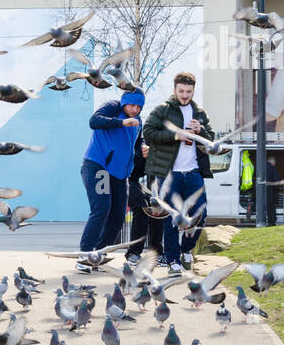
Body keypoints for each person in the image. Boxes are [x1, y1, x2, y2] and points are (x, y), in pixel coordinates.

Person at [143, 71, 215, 273]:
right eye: (181, 91)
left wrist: (201, 131)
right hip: (169, 173)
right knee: (170, 218)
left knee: (201, 213)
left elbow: (211, 139)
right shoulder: (163, 110)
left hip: (193, 171)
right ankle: (173, 261)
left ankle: (187, 251)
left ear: (193, 91)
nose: (185, 95)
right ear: (174, 90)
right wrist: (176, 135)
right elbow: (148, 132)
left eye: (189, 91)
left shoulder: (199, 112)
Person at [77, 89, 146, 272]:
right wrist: (121, 122)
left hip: (120, 174)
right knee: (101, 209)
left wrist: (142, 147)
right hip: (98, 166)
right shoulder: (112, 108)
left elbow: (137, 141)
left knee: (118, 215)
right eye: (132, 105)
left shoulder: (138, 120)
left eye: (139, 107)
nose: (135, 110)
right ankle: (84, 255)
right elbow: (94, 121)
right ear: (124, 103)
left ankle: (99, 254)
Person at [125, 137, 163, 266]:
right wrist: (142, 150)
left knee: (157, 210)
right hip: (125, 178)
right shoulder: (141, 140)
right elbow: (140, 143)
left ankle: (156, 253)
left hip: (140, 180)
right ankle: (133, 253)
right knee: (141, 209)